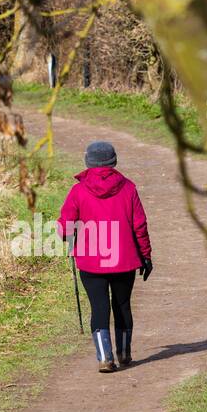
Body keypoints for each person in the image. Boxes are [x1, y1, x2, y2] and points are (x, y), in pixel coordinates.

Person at [57, 140, 152, 373]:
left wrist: (68, 235)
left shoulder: (78, 191)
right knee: (122, 305)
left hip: (90, 261)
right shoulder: (129, 188)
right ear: (114, 161)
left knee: (99, 308)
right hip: (124, 260)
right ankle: (124, 353)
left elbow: (65, 226)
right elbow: (139, 225)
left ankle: (105, 358)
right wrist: (146, 256)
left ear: (88, 162)